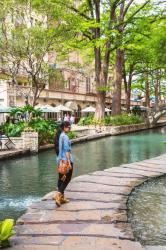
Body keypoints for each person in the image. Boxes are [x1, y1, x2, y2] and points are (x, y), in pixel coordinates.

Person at [54, 121, 74, 207]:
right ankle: (58, 196)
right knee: (67, 178)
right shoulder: (65, 137)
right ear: (64, 127)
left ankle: (61, 198)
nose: (70, 129)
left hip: (59, 160)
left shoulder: (60, 135)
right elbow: (66, 150)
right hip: (65, 160)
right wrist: (69, 162)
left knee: (61, 178)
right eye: (69, 127)